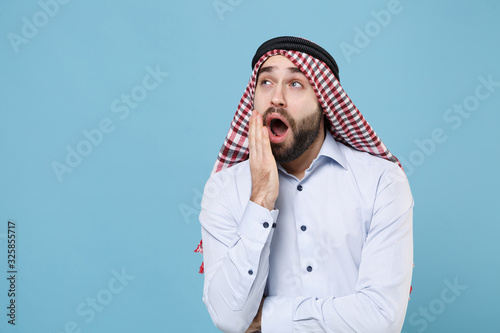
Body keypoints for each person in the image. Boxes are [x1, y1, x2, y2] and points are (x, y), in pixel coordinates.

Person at [197, 36, 413, 333]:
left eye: (295, 84)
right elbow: (228, 317)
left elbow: (382, 318)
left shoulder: (381, 182)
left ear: (325, 102)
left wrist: (265, 317)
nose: (276, 98)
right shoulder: (224, 190)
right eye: (266, 82)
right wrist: (260, 198)